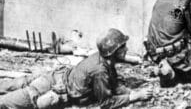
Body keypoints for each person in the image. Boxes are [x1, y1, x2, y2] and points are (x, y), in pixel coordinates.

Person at [0, 28, 152, 109]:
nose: (126, 49)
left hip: (55, 77)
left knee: (13, 85)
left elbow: (114, 83)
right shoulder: (101, 71)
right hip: (50, 88)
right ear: (114, 52)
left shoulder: (102, 59)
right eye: (122, 47)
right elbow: (106, 103)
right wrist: (135, 96)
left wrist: (129, 91)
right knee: (5, 102)